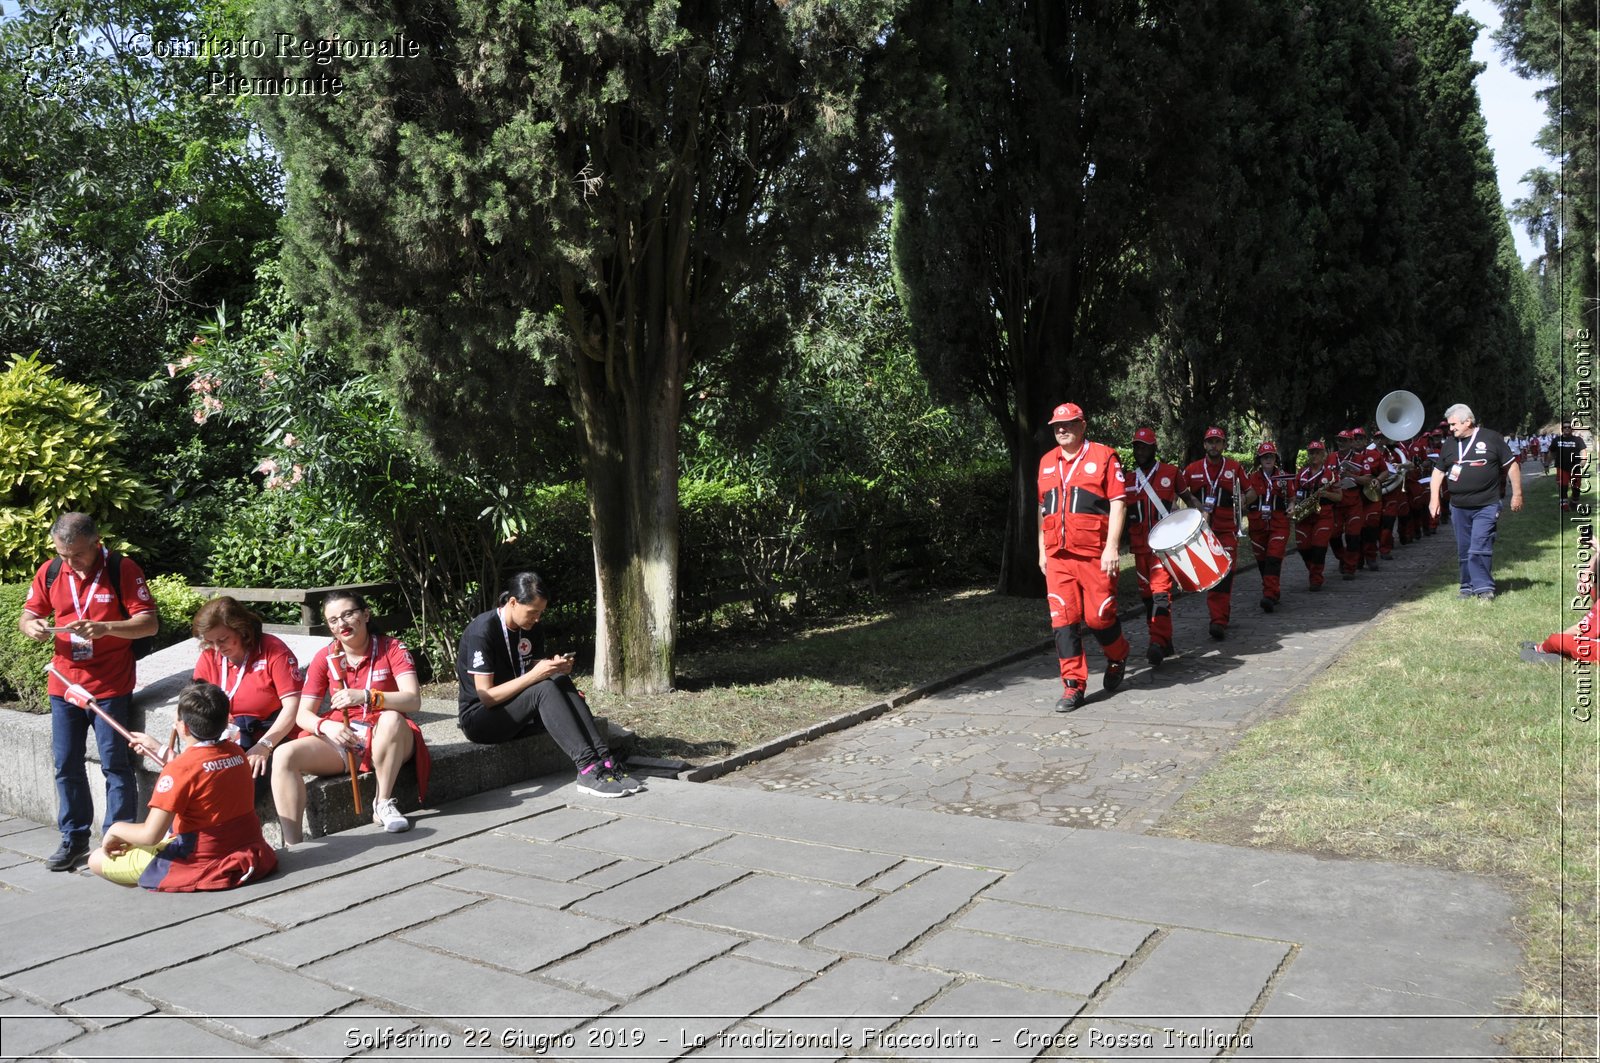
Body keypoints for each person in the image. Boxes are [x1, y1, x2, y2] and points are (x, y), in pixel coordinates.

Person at [18, 512, 160, 872]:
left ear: (97, 544)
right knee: (66, 764)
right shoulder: (50, 571)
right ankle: (74, 838)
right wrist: (31, 625)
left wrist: (106, 627)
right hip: (64, 683)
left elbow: (148, 624)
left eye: (77, 555)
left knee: (115, 764)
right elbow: (28, 613)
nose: (70, 562)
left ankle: (117, 839)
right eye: (63, 555)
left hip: (110, 684)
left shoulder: (122, 569)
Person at [457, 572, 641, 796]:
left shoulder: (531, 627)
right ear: (513, 602)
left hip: (517, 709)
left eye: (540, 613)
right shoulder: (483, 631)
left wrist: (556, 667)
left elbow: (535, 668)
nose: (537, 618)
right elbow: (486, 696)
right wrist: (536, 675)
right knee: (542, 688)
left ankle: (604, 761)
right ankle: (587, 768)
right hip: (481, 719)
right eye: (533, 612)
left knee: (558, 679)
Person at [270, 592, 428, 843]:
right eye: (333, 620)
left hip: (386, 735)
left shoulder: (392, 648)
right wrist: (325, 726)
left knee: (391, 719)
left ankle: (382, 802)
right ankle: (293, 845)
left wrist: (368, 696)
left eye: (347, 614)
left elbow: (413, 699)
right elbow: (303, 714)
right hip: (346, 735)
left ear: (365, 615)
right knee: (283, 755)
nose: (341, 624)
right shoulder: (326, 656)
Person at [87, 682, 276, 891]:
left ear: (183, 727)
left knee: (96, 859)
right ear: (224, 723)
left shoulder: (179, 769)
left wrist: (114, 830)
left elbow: (151, 835)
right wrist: (159, 749)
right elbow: (201, 769)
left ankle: (160, 885)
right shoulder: (237, 753)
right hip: (247, 847)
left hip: (202, 860)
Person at [1037, 402, 1130, 710]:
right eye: (1056, 426)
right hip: (1058, 557)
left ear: (1083, 425)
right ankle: (1073, 685)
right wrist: (1042, 552)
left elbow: (1118, 503)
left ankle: (1118, 656)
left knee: (1099, 616)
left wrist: (1112, 547)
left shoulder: (1104, 456)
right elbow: (1042, 510)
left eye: (1068, 424)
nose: (1061, 429)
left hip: (1094, 554)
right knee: (1062, 620)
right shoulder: (1046, 462)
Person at [190, 596, 303, 778]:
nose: (217, 648)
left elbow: (293, 706)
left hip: (272, 737)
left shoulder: (272, 650)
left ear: (241, 629)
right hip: (228, 739)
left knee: (240, 780)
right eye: (211, 642)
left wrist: (265, 745)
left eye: (223, 639)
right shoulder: (209, 655)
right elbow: (194, 705)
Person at [1429, 403, 1523, 601]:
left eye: (1453, 424)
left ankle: (1484, 588)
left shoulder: (1491, 438)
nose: (1451, 428)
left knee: (1479, 546)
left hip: (1486, 505)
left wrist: (1517, 494)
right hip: (1459, 507)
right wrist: (1434, 498)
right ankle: (1467, 586)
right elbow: (1438, 472)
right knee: (1464, 549)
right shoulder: (1450, 444)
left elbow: (1512, 466)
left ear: (1468, 421)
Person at [1122, 427, 1195, 665]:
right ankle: (1166, 641)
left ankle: (1156, 643)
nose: (1139, 451)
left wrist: (1202, 517)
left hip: (1163, 548)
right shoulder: (1128, 478)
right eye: (1136, 446)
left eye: (1144, 446)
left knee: (1160, 594)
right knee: (1147, 598)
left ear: (1154, 448)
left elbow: (1189, 500)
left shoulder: (1171, 472)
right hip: (1139, 548)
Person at [1179, 427, 1254, 639]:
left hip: (1228, 529)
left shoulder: (1234, 467)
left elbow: (1252, 492)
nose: (1214, 445)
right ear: (1204, 445)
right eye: (1210, 441)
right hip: (1201, 532)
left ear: (1223, 445)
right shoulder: (1192, 469)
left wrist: (1241, 502)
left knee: (1225, 574)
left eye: (1218, 442)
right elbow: (1180, 494)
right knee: (1211, 575)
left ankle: (1218, 620)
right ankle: (1221, 614)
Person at [1244, 442, 1291, 612]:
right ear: (1259, 460)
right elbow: (1244, 501)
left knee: (1273, 558)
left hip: (1279, 524)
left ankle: (1269, 595)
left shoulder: (1284, 477)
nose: (1268, 459)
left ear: (1275, 458)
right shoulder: (1251, 479)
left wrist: (1292, 505)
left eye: (1271, 456)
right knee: (1263, 562)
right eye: (1265, 457)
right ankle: (1273, 591)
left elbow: (1292, 498)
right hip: (1257, 525)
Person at [1291, 440, 1343, 592]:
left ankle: (1316, 578)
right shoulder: (1301, 473)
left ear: (1323, 455)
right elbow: (1293, 494)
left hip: (1324, 515)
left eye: (1317, 453)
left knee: (1319, 548)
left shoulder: (1331, 474)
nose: (1314, 456)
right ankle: (1314, 570)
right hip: (1304, 515)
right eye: (1311, 453)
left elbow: (1339, 497)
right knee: (1303, 548)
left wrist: (1326, 493)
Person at [1550, 423, 1587, 510]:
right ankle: (1564, 504)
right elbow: (1551, 452)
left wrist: (1583, 461)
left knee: (1576, 488)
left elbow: (1583, 450)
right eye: (1565, 427)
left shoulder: (1578, 440)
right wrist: (1547, 464)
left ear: (1572, 429)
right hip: (1561, 468)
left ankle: (1574, 502)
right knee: (1563, 486)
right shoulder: (1556, 440)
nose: (1567, 429)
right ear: (1562, 429)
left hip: (1575, 468)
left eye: (1569, 427)